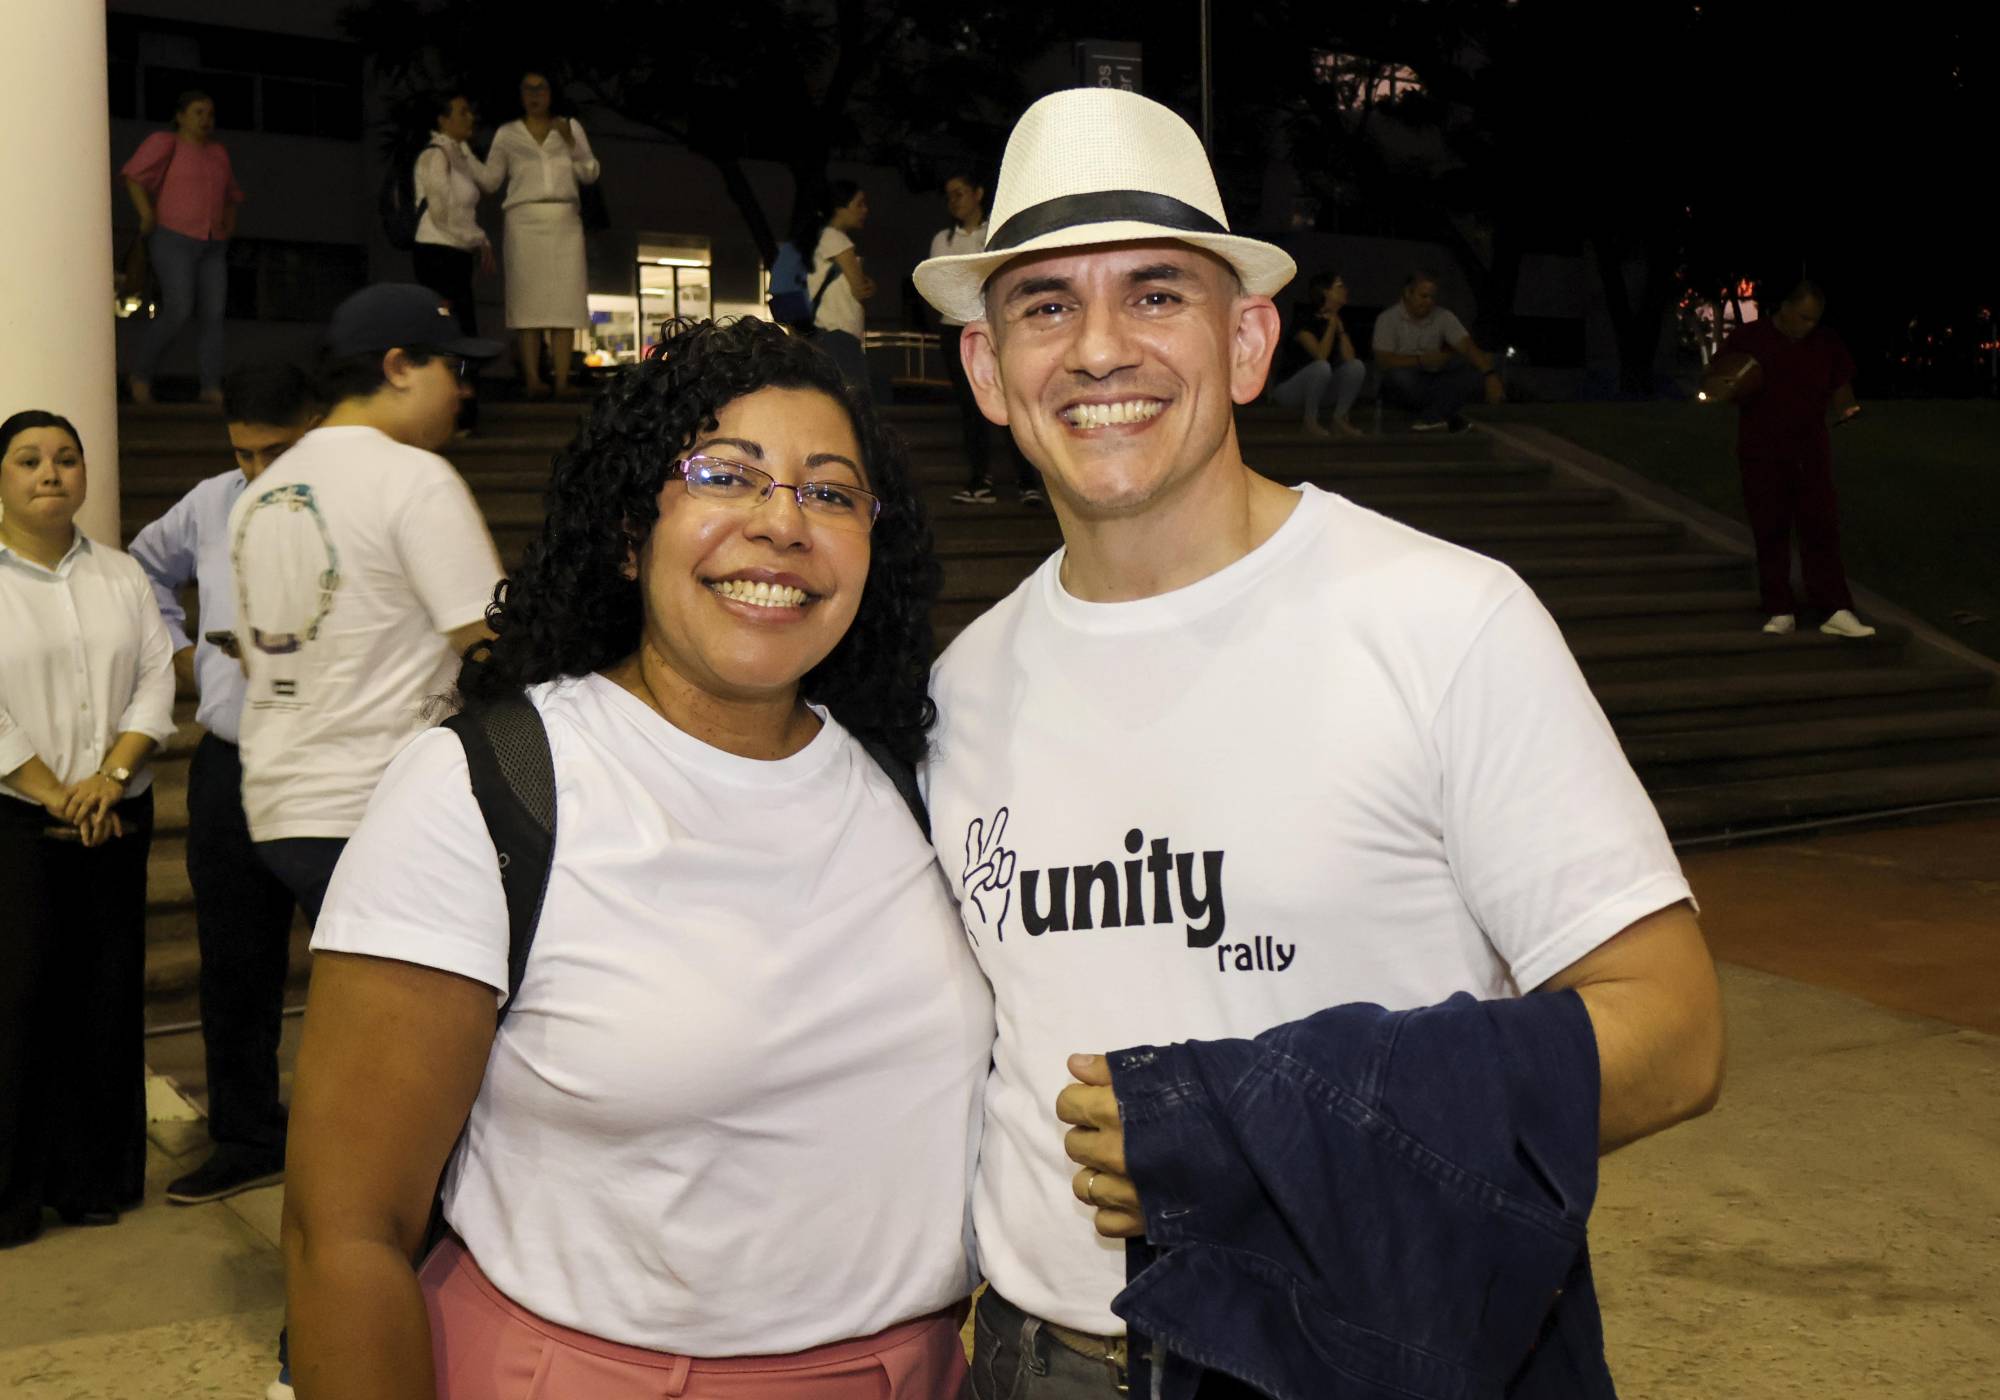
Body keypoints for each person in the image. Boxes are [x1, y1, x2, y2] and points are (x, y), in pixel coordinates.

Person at [913, 87, 1724, 1397]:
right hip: (1038, 1360)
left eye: (1157, 294)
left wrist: (1268, 1121)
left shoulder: (1443, 622)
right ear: (988, 371)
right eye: (1046, 305)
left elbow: (1675, 1034)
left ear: (1247, 344)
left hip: (1354, 1360)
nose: (1101, 348)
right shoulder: (963, 689)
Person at [279, 317, 991, 1400]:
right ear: (627, 530)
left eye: (831, 492)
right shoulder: (489, 788)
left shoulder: (904, 783)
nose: (781, 522)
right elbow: (343, 1233)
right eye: (723, 474)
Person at [228, 283, 503, 923]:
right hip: (382, 803)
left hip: (281, 806)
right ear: (399, 366)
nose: (463, 391)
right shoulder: (412, 477)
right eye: (453, 368)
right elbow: (491, 642)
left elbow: (251, 657)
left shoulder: (261, 492)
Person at [128, 365, 319, 1208]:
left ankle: (350, 1131)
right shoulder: (211, 501)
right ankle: (244, 1134)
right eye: (242, 453)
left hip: (333, 762)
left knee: (355, 960)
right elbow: (142, 567)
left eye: (272, 452)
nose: (254, 470)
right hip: (233, 755)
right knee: (233, 962)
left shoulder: (348, 501)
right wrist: (182, 651)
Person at [0, 411, 178, 1246]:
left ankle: (94, 1180)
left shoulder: (120, 575)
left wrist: (108, 777)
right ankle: (11, 1194)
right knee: (18, 996)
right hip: (14, 819)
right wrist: (50, 790)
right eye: (29, 460)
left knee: (105, 995)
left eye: (67, 459)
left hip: (115, 808)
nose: (51, 473)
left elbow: (153, 678)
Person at [1718, 281, 1874, 638]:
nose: (1807, 326)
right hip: (1762, 449)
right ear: (1785, 307)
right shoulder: (1751, 338)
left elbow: (1840, 380)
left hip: (1810, 449)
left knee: (1820, 526)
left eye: (1813, 320)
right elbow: (1721, 379)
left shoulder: (1825, 342)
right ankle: (1779, 607)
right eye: (1803, 317)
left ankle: (1834, 607)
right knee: (1770, 527)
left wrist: (1847, 408)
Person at [121, 90, 246, 405]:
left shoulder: (218, 153)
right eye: (198, 112)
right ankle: (141, 374)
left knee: (214, 315)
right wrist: (146, 213)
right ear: (181, 116)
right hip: (173, 236)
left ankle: (210, 386)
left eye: (210, 114)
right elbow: (134, 176)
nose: (205, 120)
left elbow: (231, 193)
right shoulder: (167, 142)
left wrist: (229, 223)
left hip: (212, 242)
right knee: (178, 308)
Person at [485, 72, 600, 399]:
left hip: (564, 219)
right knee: (528, 302)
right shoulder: (507, 133)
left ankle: (563, 380)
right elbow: (491, 180)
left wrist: (571, 142)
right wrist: (458, 156)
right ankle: (534, 379)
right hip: (524, 219)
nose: (535, 94)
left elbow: (590, 172)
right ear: (520, 94)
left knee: (565, 301)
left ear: (552, 93)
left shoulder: (569, 127)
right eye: (528, 88)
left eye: (541, 88)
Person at [935, 172, 1045, 507]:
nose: (954, 201)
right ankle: (980, 480)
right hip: (955, 328)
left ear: (978, 193)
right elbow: (942, 284)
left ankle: (1029, 481)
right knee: (971, 408)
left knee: (1012, 400)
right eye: (949, 195)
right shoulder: (944, 239)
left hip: (996, 327)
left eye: (960, 193)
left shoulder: (995, 234)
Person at [412, 91, 497, 434]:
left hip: (456, 253)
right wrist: (478, 238)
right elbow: (442, 212)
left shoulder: (458, 154)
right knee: (448, 334)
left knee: (462, 332)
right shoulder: (434, 155)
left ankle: (462, 414)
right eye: (462, 112)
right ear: (442, 120)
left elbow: (489, 181)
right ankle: (449, 415)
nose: (470, 118)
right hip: (437, 252)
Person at [1371, 269, 1506, 431]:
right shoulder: (1388, 318)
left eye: (1432, 297)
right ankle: (1445, 411)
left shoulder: (1443, 316)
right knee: (1400, 377)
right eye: (1423, 296)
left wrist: (1490, 375)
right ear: (1408, 293)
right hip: (1405, 382)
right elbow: (1383, 361)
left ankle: (1432, 417)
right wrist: (1421, 361)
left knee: (1489, 362)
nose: (1429, 302)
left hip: (1434, 378)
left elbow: (1467, 346)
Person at [1267, 270, 1366, 437]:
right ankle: (1310, 421)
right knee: (1321, 367)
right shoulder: (1304, 318)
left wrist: (1340, 329)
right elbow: (1321, 355)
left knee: (1357, 366)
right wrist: (1332, 326)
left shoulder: (1338, 320)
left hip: (1322, 390)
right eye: (1339, 286)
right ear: (1325, 291)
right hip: (1290, 389)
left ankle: (1340, 418)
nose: (1345, 290)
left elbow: (1350, 359)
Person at [806, 181, 876, 397]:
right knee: (855, 400)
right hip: (839, 333)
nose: (865, 210)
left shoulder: (821, 238)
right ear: (839, 208)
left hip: (827, 331)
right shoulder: (836, 239)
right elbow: (860, 288)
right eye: (859, 204)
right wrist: (869, 284)